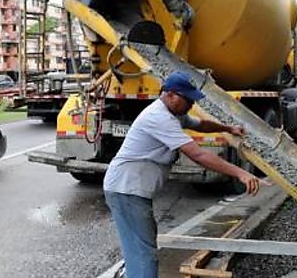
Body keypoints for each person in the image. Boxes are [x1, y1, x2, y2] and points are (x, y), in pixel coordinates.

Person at [103, 71, 261, 278]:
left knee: (141, 248)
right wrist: (240, 173)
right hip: (126, 189)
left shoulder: (173, 113)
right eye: (187, 100)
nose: (191, 105)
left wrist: (228, 128)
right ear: (170, 95)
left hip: (131, 189)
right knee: (143, 254)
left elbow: (200, 124)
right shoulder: (159, 117)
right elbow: (198, 154)